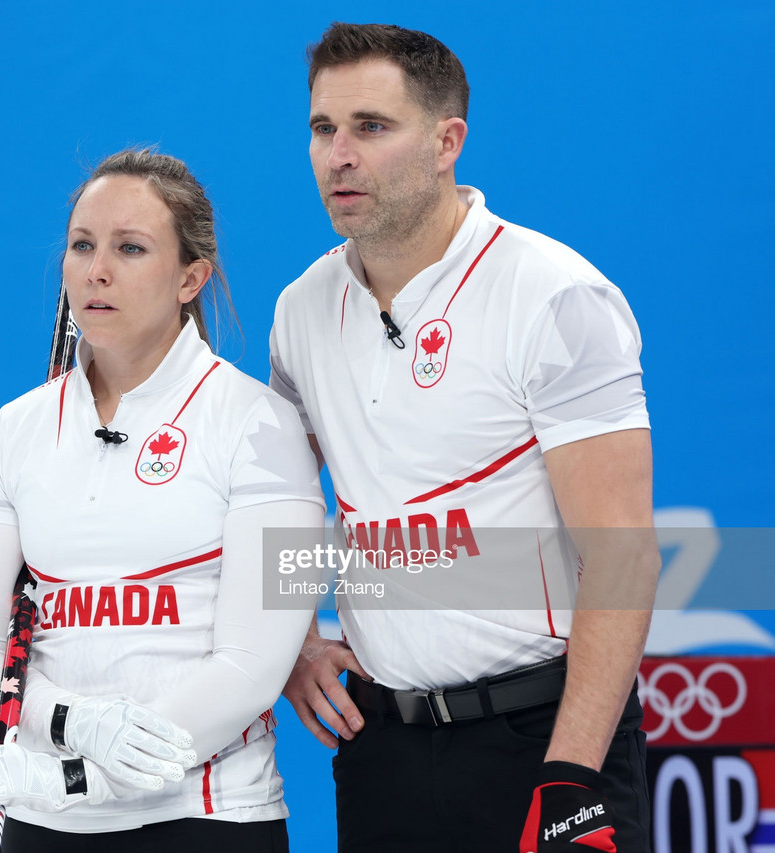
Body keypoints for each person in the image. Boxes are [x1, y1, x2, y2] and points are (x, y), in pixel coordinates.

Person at [269, 23, 659, 853]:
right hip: (383, 748)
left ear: (448, 141)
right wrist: (295, 636)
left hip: (545, 741)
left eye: (370, 127)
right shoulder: (300, 310)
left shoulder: (554, 295)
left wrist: (573, 779)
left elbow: (622, 554)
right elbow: (283, 500)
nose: (339, 154)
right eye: (322, 129)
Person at [0, 148, 325, 852]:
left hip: (209, 819)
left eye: (130, 248)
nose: (97, 270)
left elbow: (250, 672)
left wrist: (76, 777)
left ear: (191, 276)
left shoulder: (261, 424)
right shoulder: (14, 430)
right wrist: (74, 728)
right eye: (82, 245)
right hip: (41, 815)